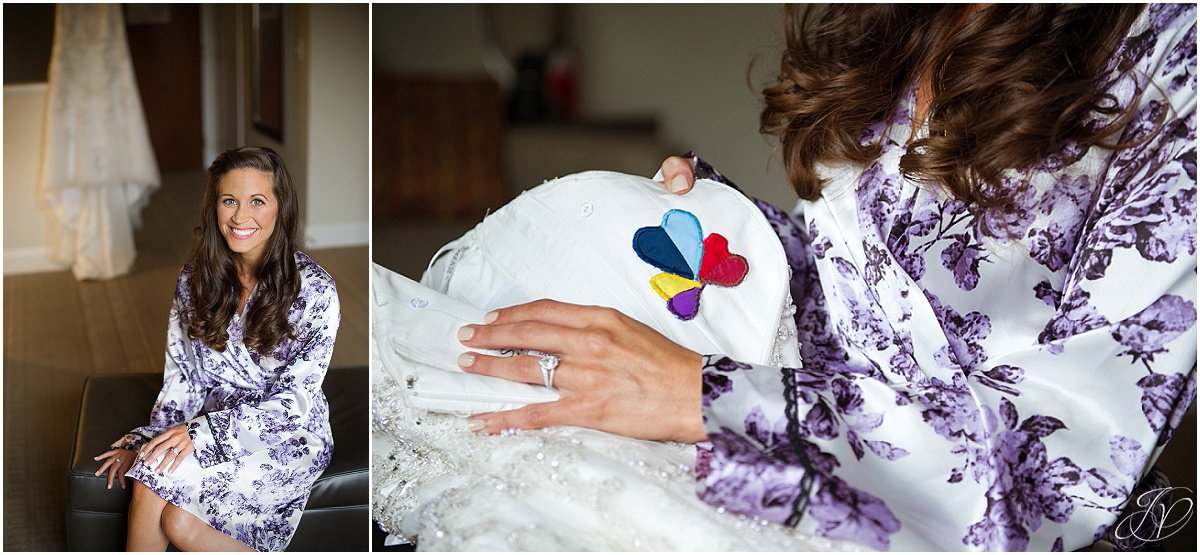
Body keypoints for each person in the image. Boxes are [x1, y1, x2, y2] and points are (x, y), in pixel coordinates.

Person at [450, 4, 1195, 551]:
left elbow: (1064, 453)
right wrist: (725, 240)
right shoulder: (906, 20)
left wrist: (700, 393)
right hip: (804, 428)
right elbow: (866, 299)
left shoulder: (1174, 56)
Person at [92, 146, 341, 551]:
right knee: (164, 492)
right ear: (215, 207)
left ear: (281, 208)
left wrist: (201, 435)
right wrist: (150, 440)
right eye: (230, 201)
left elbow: (293, 403)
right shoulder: (194, 279)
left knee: (163, 491)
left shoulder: (314, 290)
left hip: (285, 435)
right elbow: (182, 377)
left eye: (257, 201)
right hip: (212, 416)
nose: (241, 217)